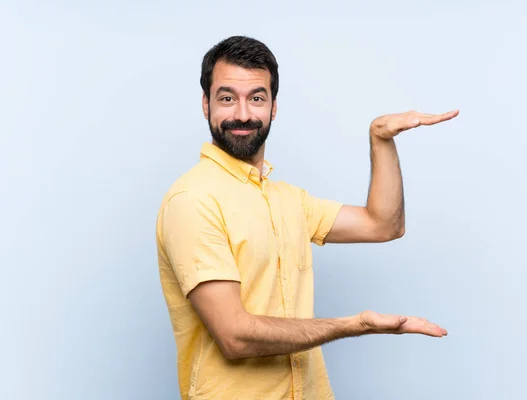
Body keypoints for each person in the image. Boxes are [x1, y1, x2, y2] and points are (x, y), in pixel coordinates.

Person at [155, 35, 459, 400]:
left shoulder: (287, 199)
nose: (242, 114)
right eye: (226, 98)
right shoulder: (193, 200)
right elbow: (235, 337)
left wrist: (380, 139)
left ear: (273, 107)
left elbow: (384, 224)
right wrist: (354, 326)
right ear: (206, 104)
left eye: (256, 98)